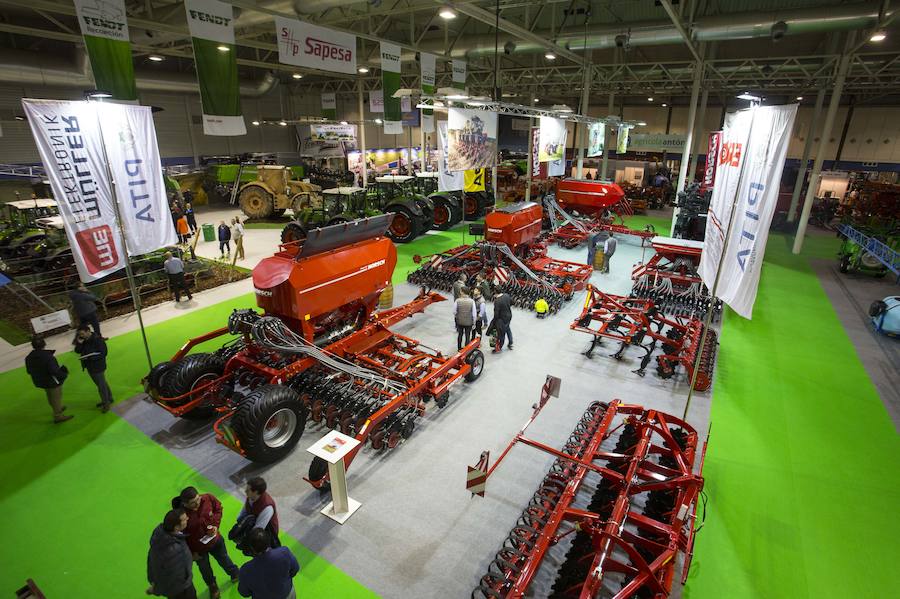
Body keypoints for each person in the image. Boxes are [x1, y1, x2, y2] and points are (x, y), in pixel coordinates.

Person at [178, 487, 239, 599]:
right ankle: (213, 587)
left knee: (224, 559)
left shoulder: (208, 498)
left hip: (216, 540)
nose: (197, 503)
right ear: (185, 504)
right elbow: (180, 538)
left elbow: (218, 509)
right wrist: (191, 553)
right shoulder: (181, 516)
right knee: (205, 570)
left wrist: (215, 525)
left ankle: (235, 574)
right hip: (198, 550)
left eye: (198, 499)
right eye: (192, 503)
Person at [147, 509, 196, 599]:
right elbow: (167, 576)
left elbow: (151, 564)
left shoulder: (162, 539)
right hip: (181, 590)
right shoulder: (171, 551)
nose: (188, 519)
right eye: (185, 519)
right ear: (176, 527)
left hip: (182, 586)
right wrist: (156, 590)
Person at [237, 529, 300, 599]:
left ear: (251, 549)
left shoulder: (245, 571)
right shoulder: (284, 552)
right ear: (268, 540)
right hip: (287, 594)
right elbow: (295, 569)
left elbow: (244, 593)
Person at [25, 336, 72, 423]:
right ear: (44, 344)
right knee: (56, 397)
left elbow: (29, 371)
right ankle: (58, 415)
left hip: (41, 381)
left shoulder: (28, 358)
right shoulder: (48, 357)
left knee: (50, 395)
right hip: (52, 380)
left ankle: (56, 408)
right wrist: (64, 374)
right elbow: (54, 371)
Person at [73, 325, 113, 412]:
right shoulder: (83, 340)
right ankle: (109, 398)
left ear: (88, 331)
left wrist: (90, 358)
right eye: (80, 334)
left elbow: (103, 353)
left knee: (101, 385)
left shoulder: (98, 340)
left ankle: (106, 403)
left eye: (82, 334)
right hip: (89, 366)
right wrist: (79, 343)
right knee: (102, 383)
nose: (81, 336)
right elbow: (77, 351)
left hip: (98, 366)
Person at [236, 477, 279, 545]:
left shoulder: (267, 508)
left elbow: (257, 530)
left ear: (255, 492)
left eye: (248, 490)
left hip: (266, 534)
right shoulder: (251, 496)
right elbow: (243, 513)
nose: (245, 491)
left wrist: (243, 540)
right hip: (254, 525)